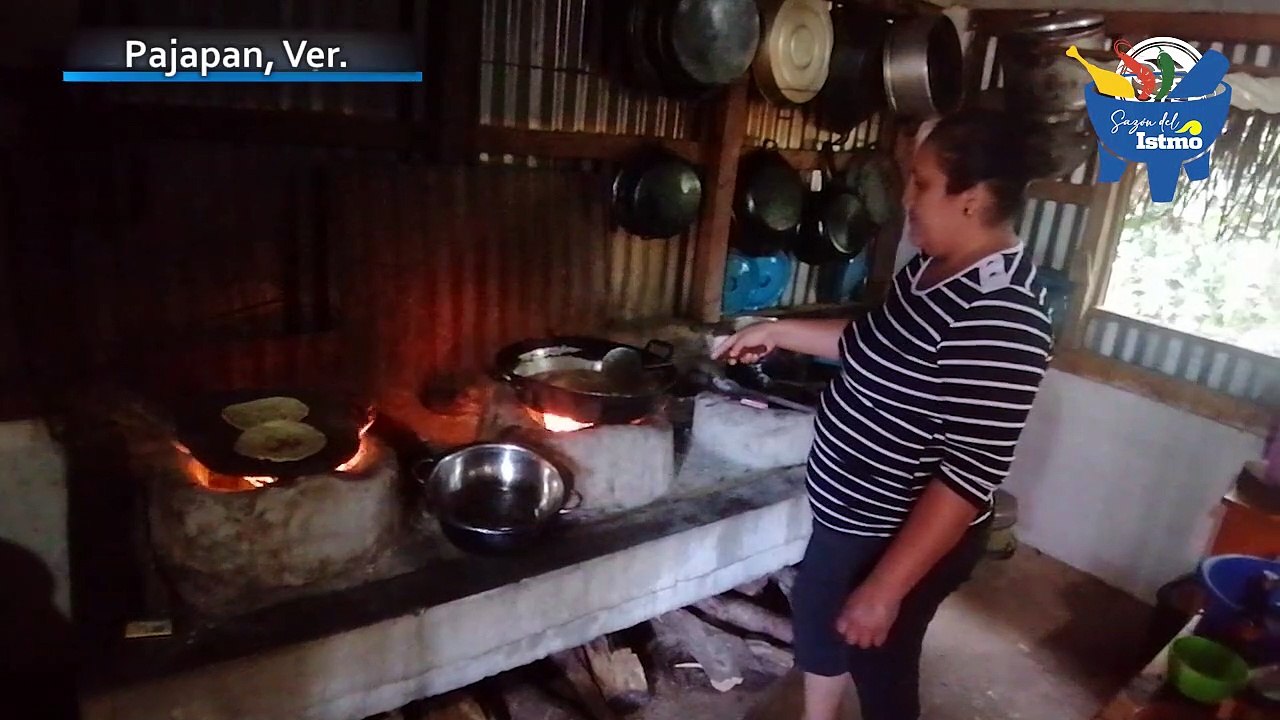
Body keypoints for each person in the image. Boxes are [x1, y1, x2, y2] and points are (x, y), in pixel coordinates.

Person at [712, 108, 1057, 720]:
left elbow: (968, 474)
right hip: (852, 512)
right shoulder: (931, 268)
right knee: (821, 620)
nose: (905, 200)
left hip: (896, 535)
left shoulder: (1004, 316)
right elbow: (871, 343)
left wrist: (885, 589)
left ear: (972, 200)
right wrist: (778, 329)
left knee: (880, 662)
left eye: (921, 183)